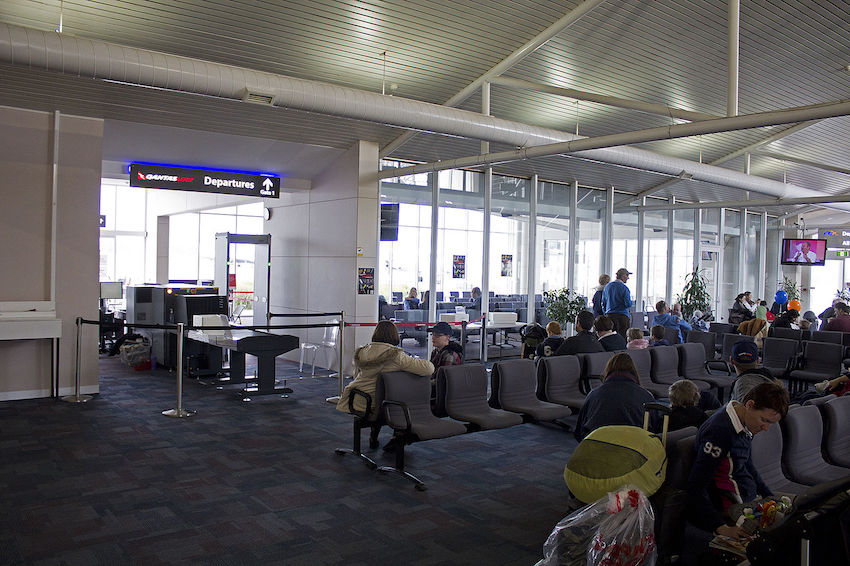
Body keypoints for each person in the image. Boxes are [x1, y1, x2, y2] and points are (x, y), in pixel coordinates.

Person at [686, 382, 790, 541]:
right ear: (750, 405)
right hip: (730, 509)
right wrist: (722, 528)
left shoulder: (746, 423)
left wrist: (769, 495)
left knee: (793, 515)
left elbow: (747, 464)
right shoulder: (719, 431)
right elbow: (696, 486)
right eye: (765, 420)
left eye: (771, 423)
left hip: (747, 499)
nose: (766, 428)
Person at [336, 320, 434, 448]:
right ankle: (397, 438)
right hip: (381, 403)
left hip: (358, 399)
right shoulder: (395, 355)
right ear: (394, 335)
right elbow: (428, 369)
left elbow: (356, 376)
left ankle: (375, 437)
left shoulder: (362, 351)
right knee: (403, 394)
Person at [573, 353, 655, 442]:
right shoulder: (645, 396)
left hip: (598, 446)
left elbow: (579, 432)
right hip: (634, 448)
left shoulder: (594, 395)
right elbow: (655, 428)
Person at [601, 267, 633, 337]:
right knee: (623, 338)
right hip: (622, 317)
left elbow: (603, 303)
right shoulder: (624, 288)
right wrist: (631, 303)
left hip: (610, 316)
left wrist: (606, 313)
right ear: (623, 276)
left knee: (611, 337)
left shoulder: (607, 287)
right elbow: (627, 304)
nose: (628, 278)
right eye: (627, 276)